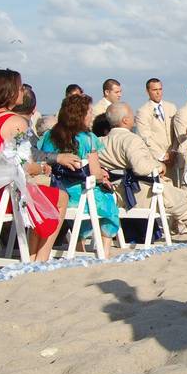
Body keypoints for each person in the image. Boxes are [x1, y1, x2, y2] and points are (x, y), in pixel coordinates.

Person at [0, 69, 68, 262]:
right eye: (20, 88)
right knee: (60, 197)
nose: (22, 92)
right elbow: (26, 166)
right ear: (10, 92)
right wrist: (43, 168)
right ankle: (40, 259)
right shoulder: (15, 122)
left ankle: (34, 257)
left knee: (39, 196)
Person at [100, 103, 187, 246]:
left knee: (169, 188)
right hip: (140, 195)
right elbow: (141, 168)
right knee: (185, 206)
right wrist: (159, 165)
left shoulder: (100, 142)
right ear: (125, 120)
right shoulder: (131, 139)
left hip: (116, 196)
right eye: (132, 115)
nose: (134, 118)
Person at [39, 94, 120, 257]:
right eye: (89, 111)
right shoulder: (88, 139)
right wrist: (102, 177)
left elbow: (40, 157)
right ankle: (104, 250)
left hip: (56, 192)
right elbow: (95, 174)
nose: (92, 115)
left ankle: (79, 246)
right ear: (80, 115)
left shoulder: (50, 135)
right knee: (109, 199)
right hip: (81, 195)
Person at [135, 78, 178, 177]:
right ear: (147, 91)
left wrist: (173, 152)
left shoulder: (172, 107)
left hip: (173, 158)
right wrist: (163, 156)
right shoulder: (143, 111)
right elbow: (145, 137)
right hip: (156, 159)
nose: (158, 93)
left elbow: (176, 132)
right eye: (155, 90)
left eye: (160, 89)